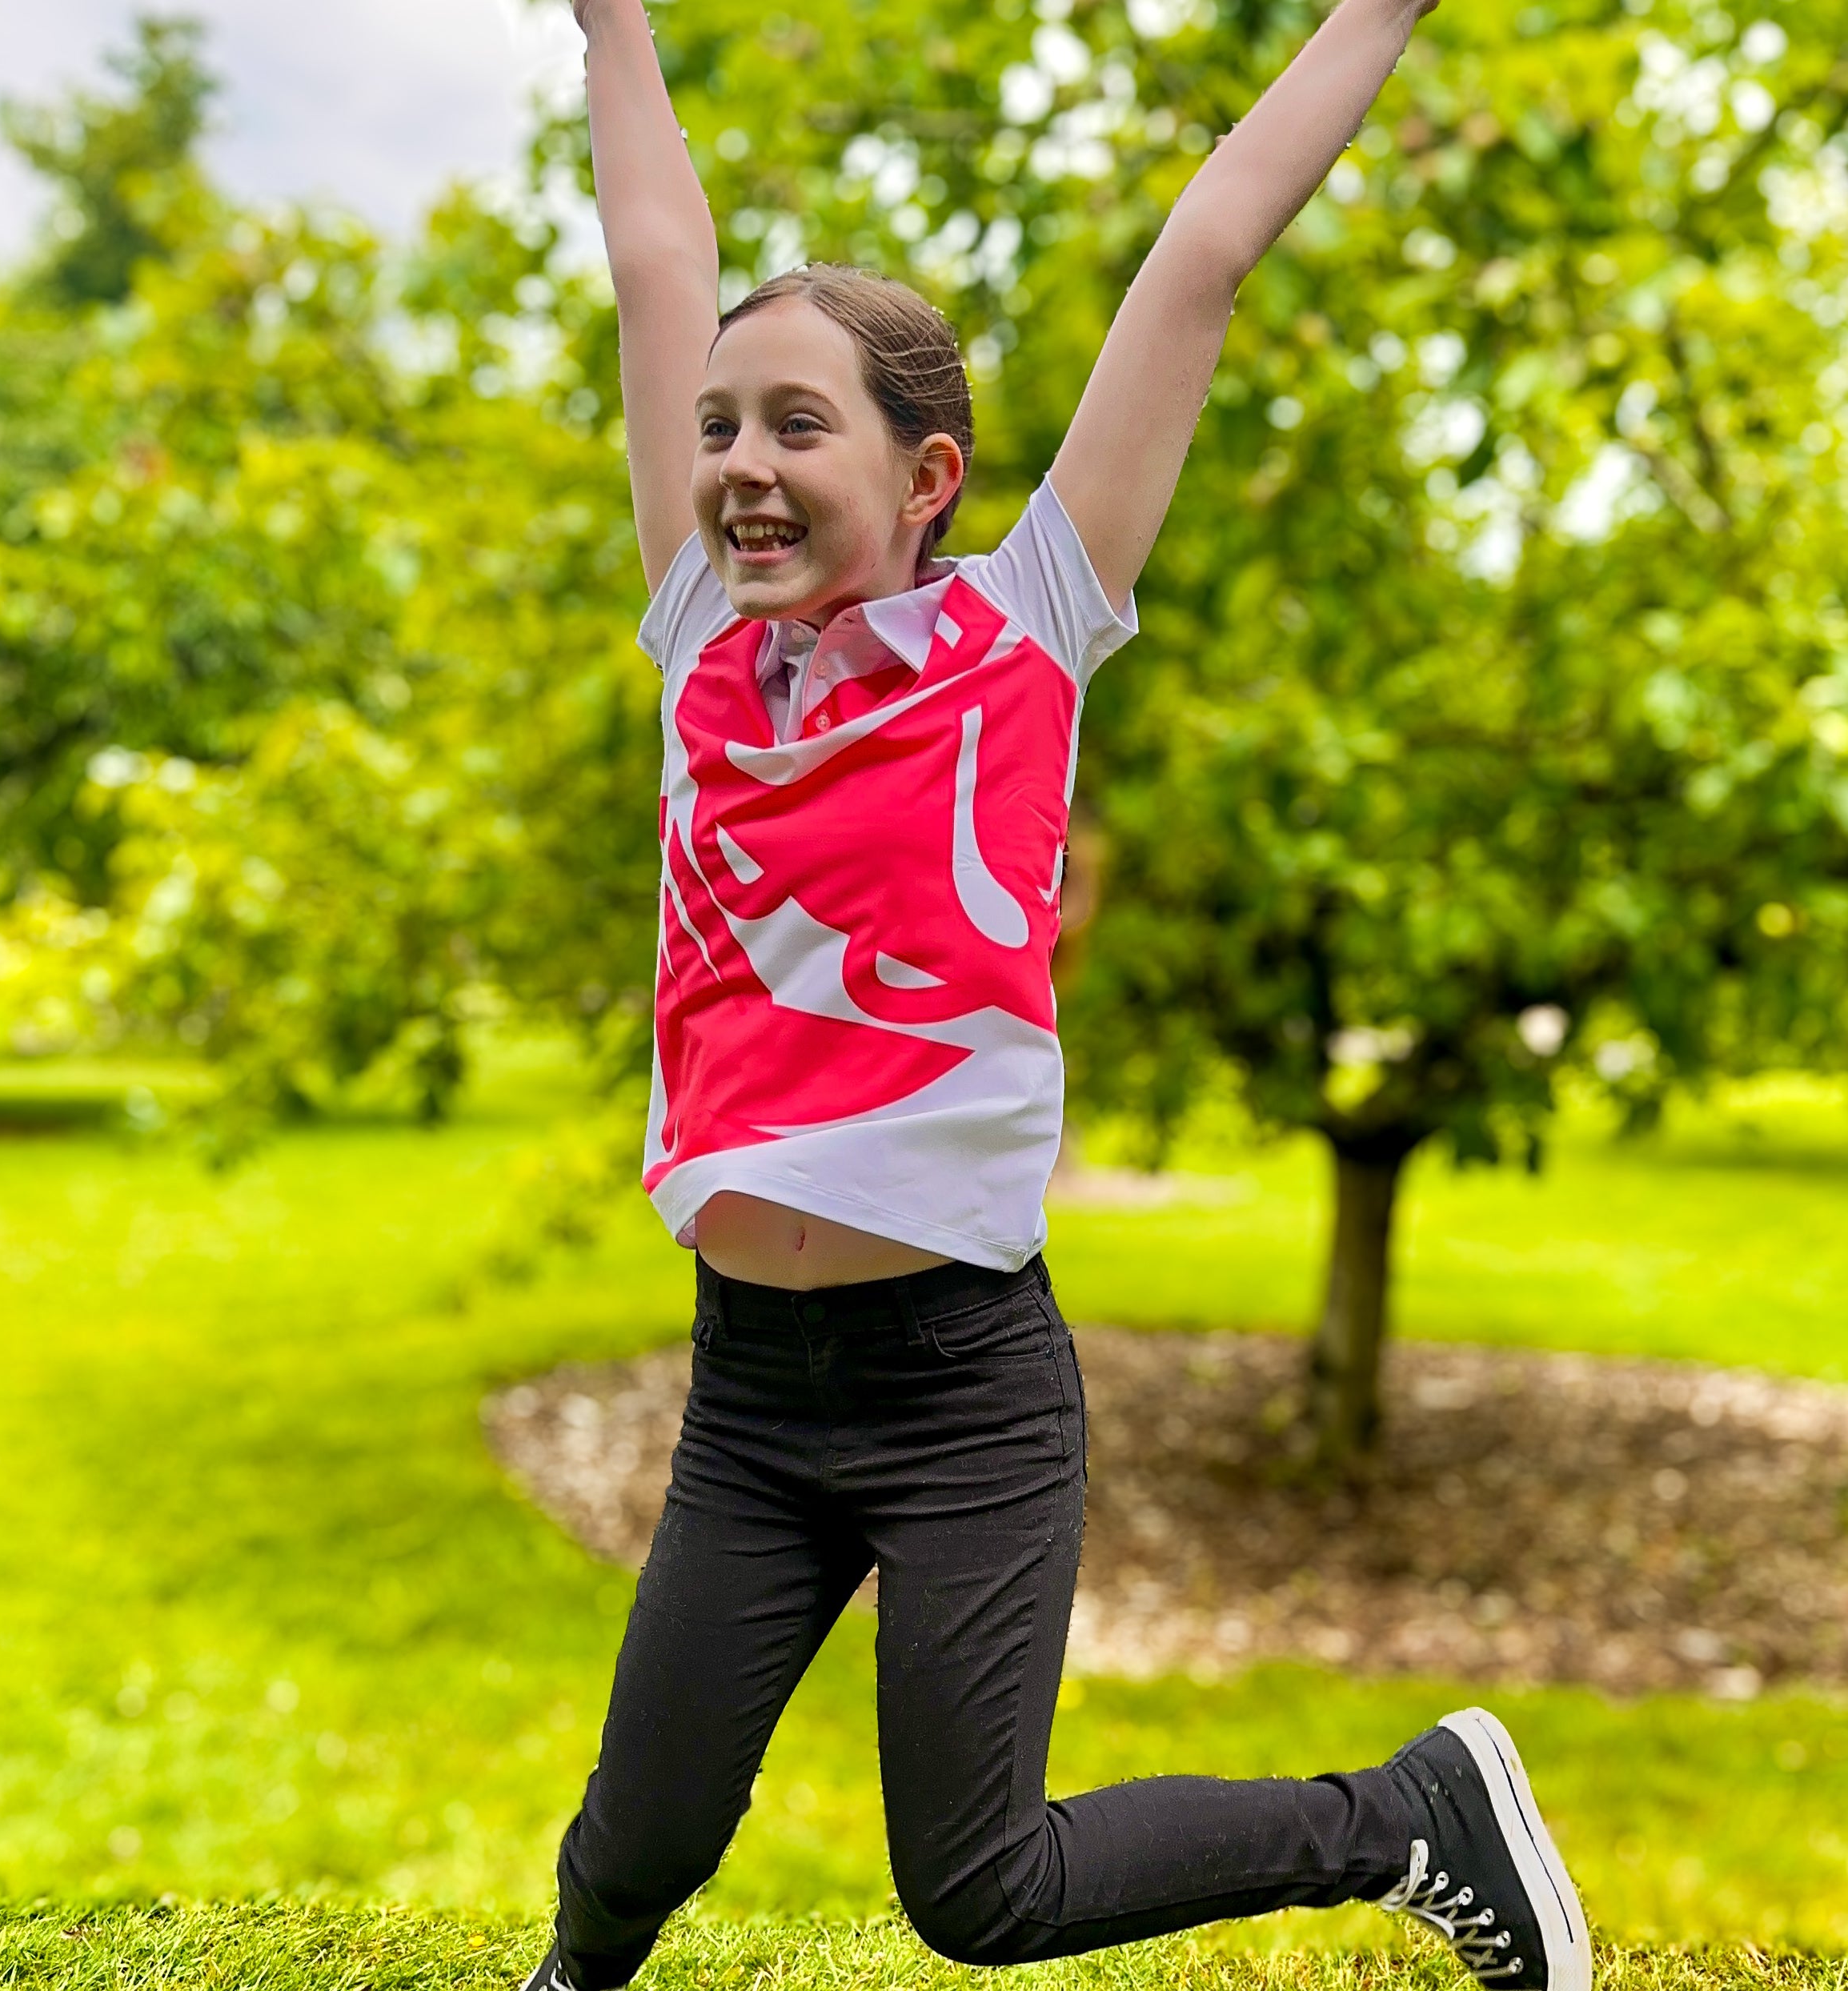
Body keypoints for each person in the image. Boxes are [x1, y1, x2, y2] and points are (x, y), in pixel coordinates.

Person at [528, 0, 1592, 1985]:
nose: (739, 465)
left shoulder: (1022, 629)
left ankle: (1410, 1813)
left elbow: (1202, 251)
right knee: (636, 1835)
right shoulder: (691, 631)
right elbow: (658, 258)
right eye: (716, 429)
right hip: (748, 1393)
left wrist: (1376, 11)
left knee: (979, 1890)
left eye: (795, 425)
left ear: (927, 474)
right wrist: (613, 26)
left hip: (957, 1394)